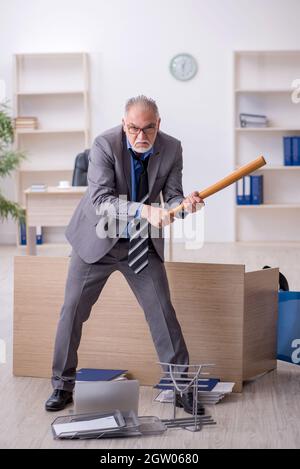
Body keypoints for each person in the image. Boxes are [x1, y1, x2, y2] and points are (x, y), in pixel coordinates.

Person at [45, 95, 204, 413]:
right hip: (96, 241)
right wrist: (146, 211)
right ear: (123, 124)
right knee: (72, 311)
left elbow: (171, 197)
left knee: (162, 313)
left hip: (140, 244)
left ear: (159, 124)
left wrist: (184, 206)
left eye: (148, 129)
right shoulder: (104, 145)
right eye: (133, 129)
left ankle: (182, 388)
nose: (140, 137)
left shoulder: (172, 148)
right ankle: (62, 386)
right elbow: (101, 200)